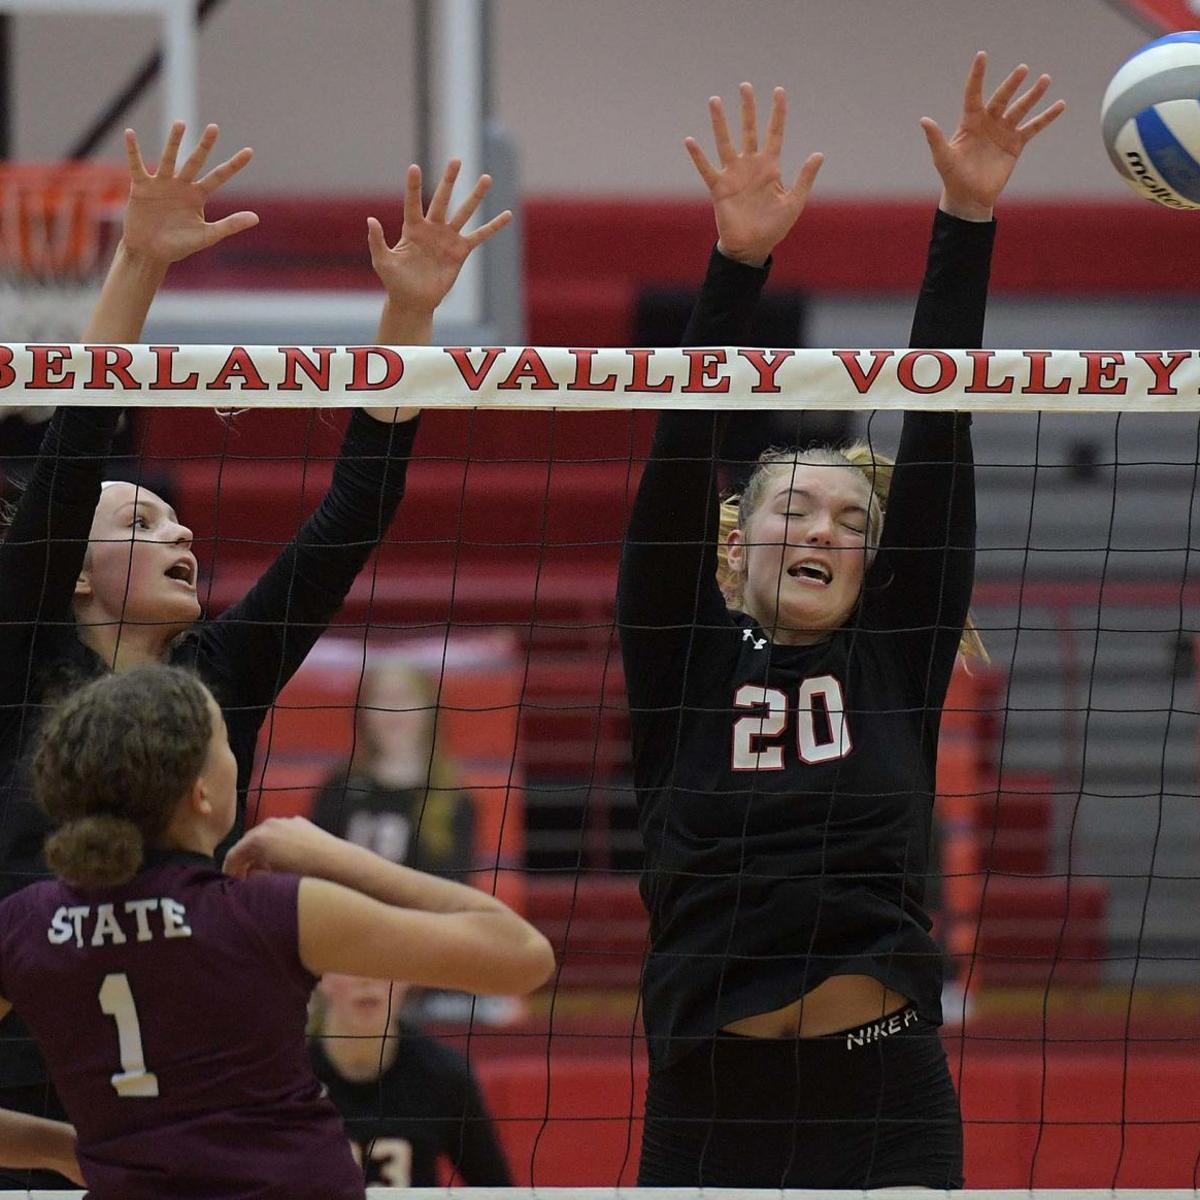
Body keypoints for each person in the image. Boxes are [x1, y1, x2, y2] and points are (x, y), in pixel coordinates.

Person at [0, 120, 511, 1187]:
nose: (181, 529)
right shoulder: (21, 651)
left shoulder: (217, 680)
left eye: (173, 519)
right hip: (24, 1091)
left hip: (186, 1109)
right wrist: (139, 260)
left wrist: (409, 315)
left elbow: (350, 520)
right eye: (140, 524)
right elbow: (77, 444)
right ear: (74, 570)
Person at [619, 55, 1065, 1189]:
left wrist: (966, 216)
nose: (824, 529)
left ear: (875, 563)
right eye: (796, 510)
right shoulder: (680, 657)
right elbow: (681, 446)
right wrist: (737, 263)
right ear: (735, 542)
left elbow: (941, 420)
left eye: (852, 519)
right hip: (708, 1101)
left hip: (884, 1095)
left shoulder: (895, 659)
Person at [0, 665, 552, 1196]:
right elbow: (523, 955)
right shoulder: (267, 913)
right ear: (201, 793)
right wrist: (339, 858)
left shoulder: (25, 924)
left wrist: (68, 1149)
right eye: (224, 741)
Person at [309, 974, 513, 1187]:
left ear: (406, 976)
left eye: (383, 965)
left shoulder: (444, 1075)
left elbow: (497, 1189)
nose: (367, 980)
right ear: (321, 976)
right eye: (352, 966)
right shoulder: (293, 1078)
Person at [312, 657, 476, 882]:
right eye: (380, 697)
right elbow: (312, 873)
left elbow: (456, 891)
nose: (393, 708)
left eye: (405, 696)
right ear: (363, 712)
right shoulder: (338, 789)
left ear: (430, 710)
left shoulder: (452, 800)